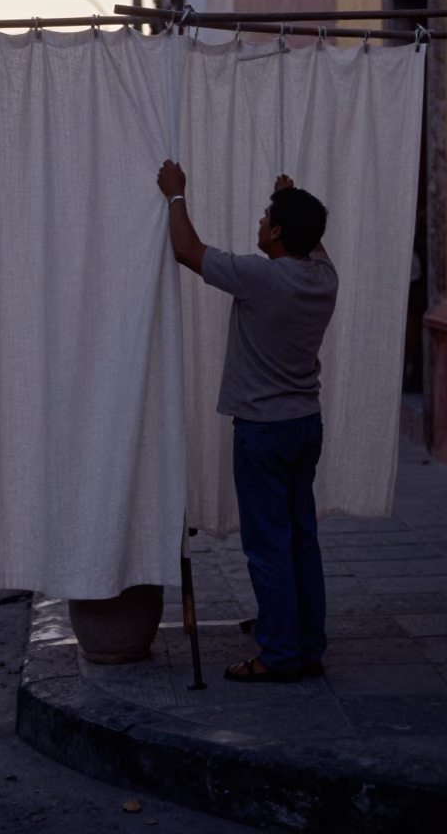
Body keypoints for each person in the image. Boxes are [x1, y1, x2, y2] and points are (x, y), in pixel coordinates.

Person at [157, 163, 338, 684]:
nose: (259, 223)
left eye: (266, 218)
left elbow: (187, 250)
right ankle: (308, 646)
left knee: (268, 545)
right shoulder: (324, 278)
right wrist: (291, 197)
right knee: (301, 538)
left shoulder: (261, 277)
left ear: (278, 232)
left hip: (262, 431)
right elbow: (315, 243)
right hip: (305, 426)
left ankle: (279, 655)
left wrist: (175, 195)